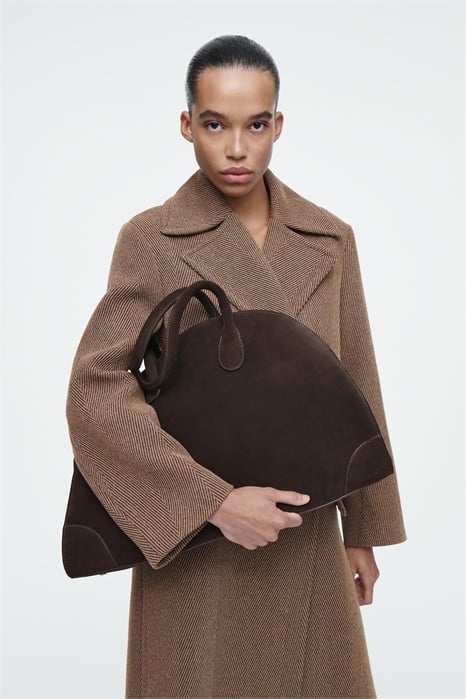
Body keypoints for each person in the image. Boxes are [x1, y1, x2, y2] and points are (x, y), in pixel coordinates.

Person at [66, 35, 406, 699]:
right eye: (216, 124)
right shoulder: (151, 239)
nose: (236, 149)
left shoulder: (330, 238)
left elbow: (355, 378)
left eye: (255, 125)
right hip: (198, 548)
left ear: (278, 125)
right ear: (187, 124)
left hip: (307, 531)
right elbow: (96, 391)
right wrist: (212, 502)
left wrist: (364, 531)